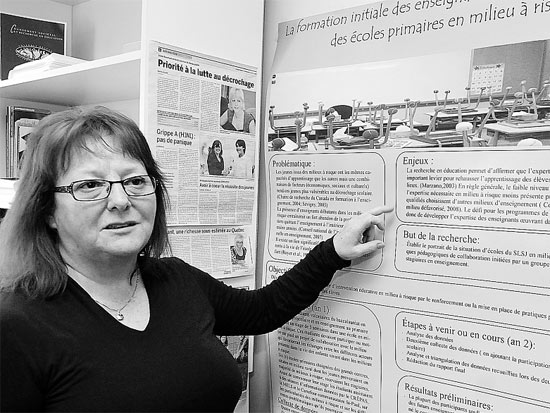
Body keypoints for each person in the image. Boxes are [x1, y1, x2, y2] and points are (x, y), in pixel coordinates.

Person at [0, 105, 393, 412]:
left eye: (135, 180)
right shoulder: (16, 323)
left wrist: (332, 252)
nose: (120, 200)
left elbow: (262, 310)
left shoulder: (175, 280)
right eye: (90, 185)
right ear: (47, 210)